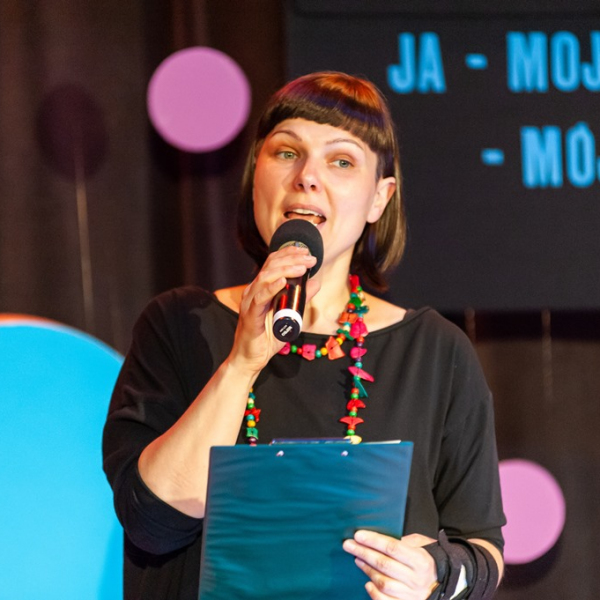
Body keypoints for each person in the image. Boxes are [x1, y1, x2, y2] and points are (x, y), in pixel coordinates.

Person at [103, 71, 505, 600]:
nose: (307, 177)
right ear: (256, 177)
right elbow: (152, 521)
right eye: (287, 153)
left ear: (379, 198)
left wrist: (433, 574)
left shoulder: (434, 351)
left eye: (341, 161)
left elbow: (483, 550)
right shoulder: (181, 325)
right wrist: (241, 363)